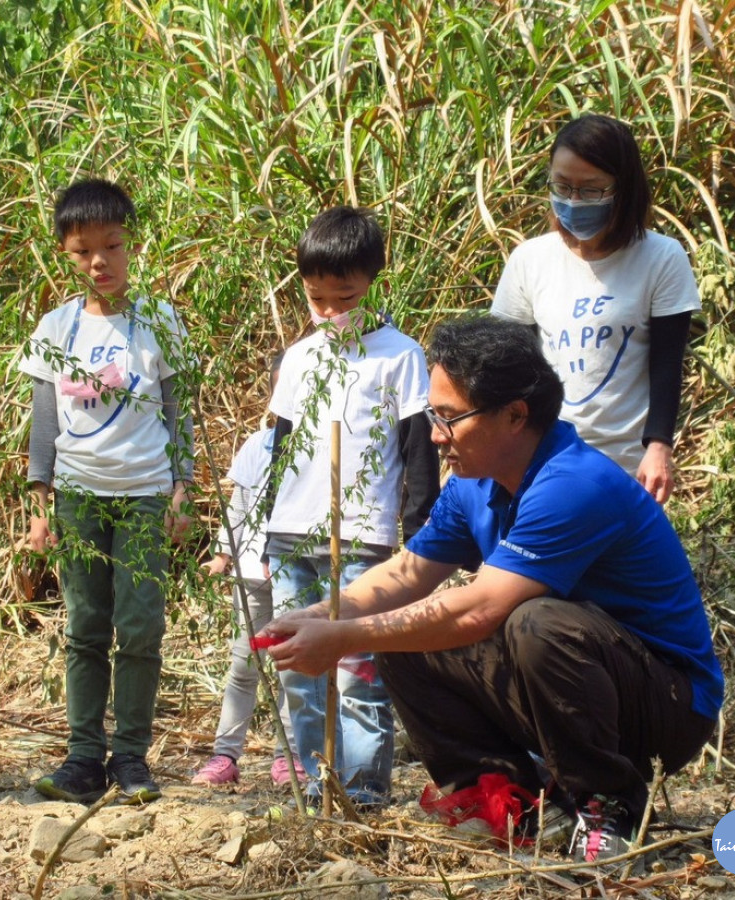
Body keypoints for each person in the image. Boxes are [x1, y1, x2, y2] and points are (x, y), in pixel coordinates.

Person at [261, 317, 722, 861]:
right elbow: (408, 575)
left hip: (666, 706)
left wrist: (341, 639)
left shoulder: (574, 484)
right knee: (405, 641)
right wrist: (320, 615)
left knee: (536, 622)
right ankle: (511, 802)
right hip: (574, 689)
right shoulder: (472, 484)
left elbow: (479, 610)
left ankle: (609, 805)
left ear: (515, 415)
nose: (435, 434)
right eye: (434, 415)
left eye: (450, 418)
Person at [19, 179, 194, 805]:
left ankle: (132, 758)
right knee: (85, 624)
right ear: (66, 255)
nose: (101, 262)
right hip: (79, 497)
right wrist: (39, 504)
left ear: (131, 244)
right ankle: (83, 758)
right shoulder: (55, 327)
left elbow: (178, 412)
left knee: (141, 626)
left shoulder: (159, 322)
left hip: (145, 495)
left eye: (113, 246)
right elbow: (43, 422)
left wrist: (182, 487)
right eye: (84, 251)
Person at [264, 206, 440, 808]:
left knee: (359, 673)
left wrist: (418, 542)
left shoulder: (400, 356)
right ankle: (314, 787)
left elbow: (420, 456)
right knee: (299, 672)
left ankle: (363, 791)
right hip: (291, 538)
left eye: (346, 297)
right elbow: (280, 448)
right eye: (318, 300)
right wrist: (263, 533)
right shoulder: (299, 358)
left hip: (361, 539)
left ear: (373, 281)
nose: (332, 312)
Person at [490, 113, 701, 504]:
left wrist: (659, 448)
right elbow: (508, 366)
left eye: (590, 190)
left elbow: (668, 365)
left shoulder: (662, 258)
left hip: (625, 464)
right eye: (563, 186)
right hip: (546, 459)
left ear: (624, 188)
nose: (573, 201)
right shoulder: (530, 259)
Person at [192, 352, 304, 787]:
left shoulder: (322, 443)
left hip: (297, 571)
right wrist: (224, 554)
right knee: (244, 662)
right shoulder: (258, 445)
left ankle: (288, 755)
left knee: (292, 666)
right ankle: (225, 754)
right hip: (253, 573)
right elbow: (238, 506)